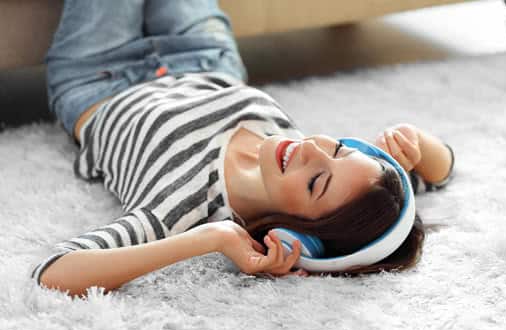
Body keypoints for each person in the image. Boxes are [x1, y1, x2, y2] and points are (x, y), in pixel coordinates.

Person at [31, 0, 455, 298]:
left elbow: (52, 272)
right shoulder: (331, 174)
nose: (312, 149)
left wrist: (208, 239)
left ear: (296, 236)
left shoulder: (183, 207)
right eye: (341, 149)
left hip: (101, 77)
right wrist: (415, 141)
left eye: (316, 182)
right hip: (205, 57)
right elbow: (440, 170)